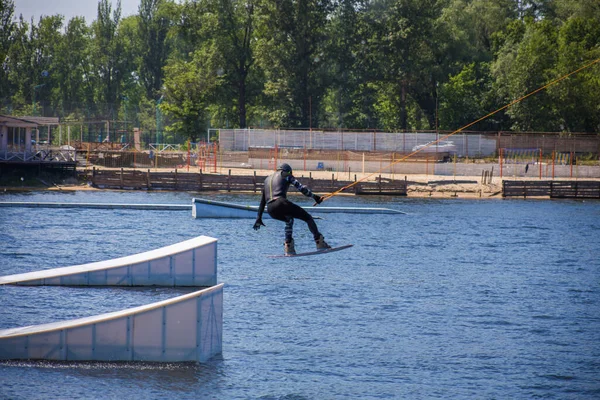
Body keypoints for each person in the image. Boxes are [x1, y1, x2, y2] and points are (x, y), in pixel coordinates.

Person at [253, 163, 331, 255]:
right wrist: (315, 197)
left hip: (270, 209)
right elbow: (302, 189)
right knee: (308, 218)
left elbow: (262, 202)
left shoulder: (267, 180)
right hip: (281, 203)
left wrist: (258, 218)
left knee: (289, 219)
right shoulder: (286, 174)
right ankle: (319, 242)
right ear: (287, 170)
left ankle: (288, 247)